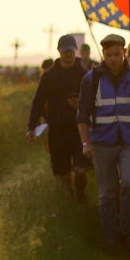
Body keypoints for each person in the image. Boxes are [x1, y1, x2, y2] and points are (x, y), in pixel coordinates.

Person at [78, 33, 130, 254]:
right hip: (102, 142)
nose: (113, 59)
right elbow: (82, 116)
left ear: (125, 53)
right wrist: (86, 143)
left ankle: (126, 232)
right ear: (103, 54)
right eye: (108, 55)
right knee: (106, 193)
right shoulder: (91, 79)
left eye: (117, 54)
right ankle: (109, 239)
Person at [28, 34, 90, 203]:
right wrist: (31, 126)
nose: (68, 54)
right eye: (65, 51)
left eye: (70, 51)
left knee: (80, 170)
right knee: (62, 174)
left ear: (75, 51)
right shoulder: (50, 76)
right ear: (59, 51)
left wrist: (81, 105)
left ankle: (81, 196)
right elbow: (38, 101)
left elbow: (94, 101)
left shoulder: (85, 75)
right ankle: (70, 202)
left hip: (80, 130)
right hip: (57, 129)